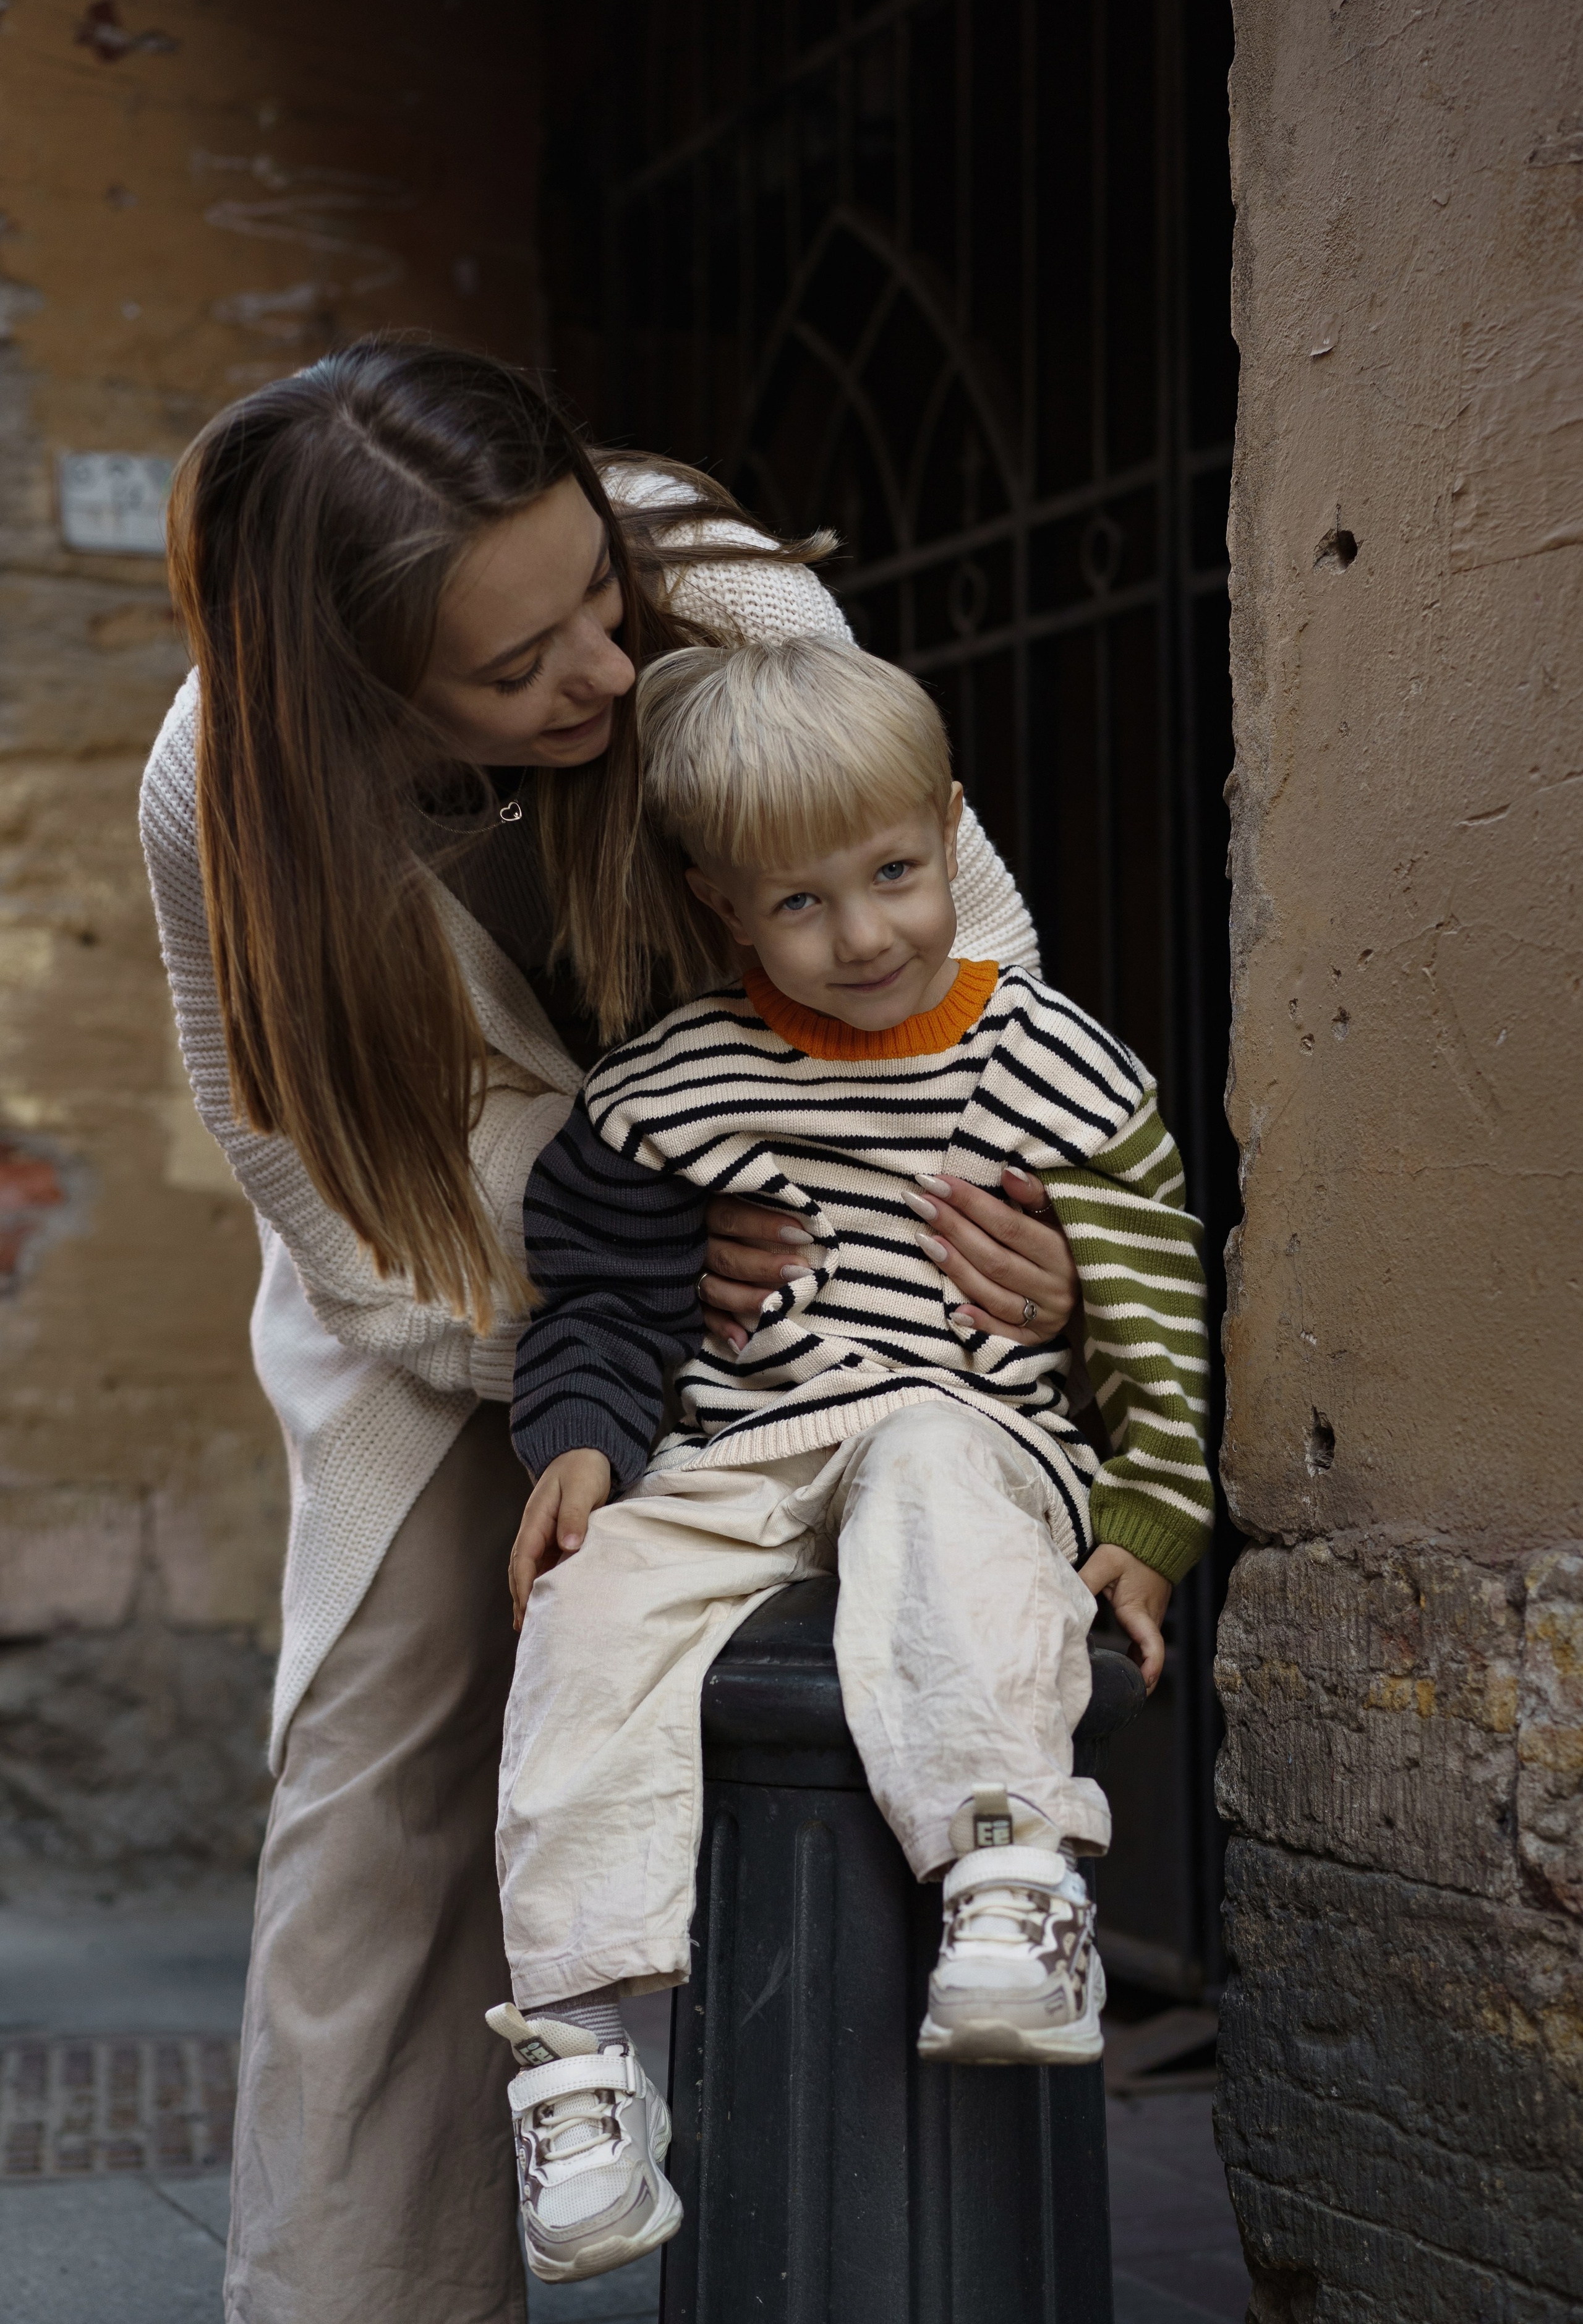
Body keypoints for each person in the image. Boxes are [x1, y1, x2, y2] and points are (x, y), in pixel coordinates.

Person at [139, 340, 1077, 2324]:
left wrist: (953, 1237)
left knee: (928, 1588)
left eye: (592, 591)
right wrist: (610, 1312)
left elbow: (962, 950)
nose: (604, 670)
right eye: (517, 666)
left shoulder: (716, 593)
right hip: (453, 1284)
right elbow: (316, 1177)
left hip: (826, 1205)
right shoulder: (217, 787)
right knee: (386, 1781)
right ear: (357, 688)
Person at [489, 636, 1214, 2286]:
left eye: (894, 873)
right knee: (588, 1610)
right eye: (801, 903)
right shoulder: (667, 1090)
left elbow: (1154, 1299)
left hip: (967, 1426)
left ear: (949, 827)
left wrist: (1154, 1512)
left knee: (934, 1479)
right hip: (740, 1447)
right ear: (721, 906)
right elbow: (597, 1292)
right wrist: (582, 1449)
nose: (867, 933)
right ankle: (582, 2055)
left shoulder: (1055, 1065)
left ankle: (1008, 1875)